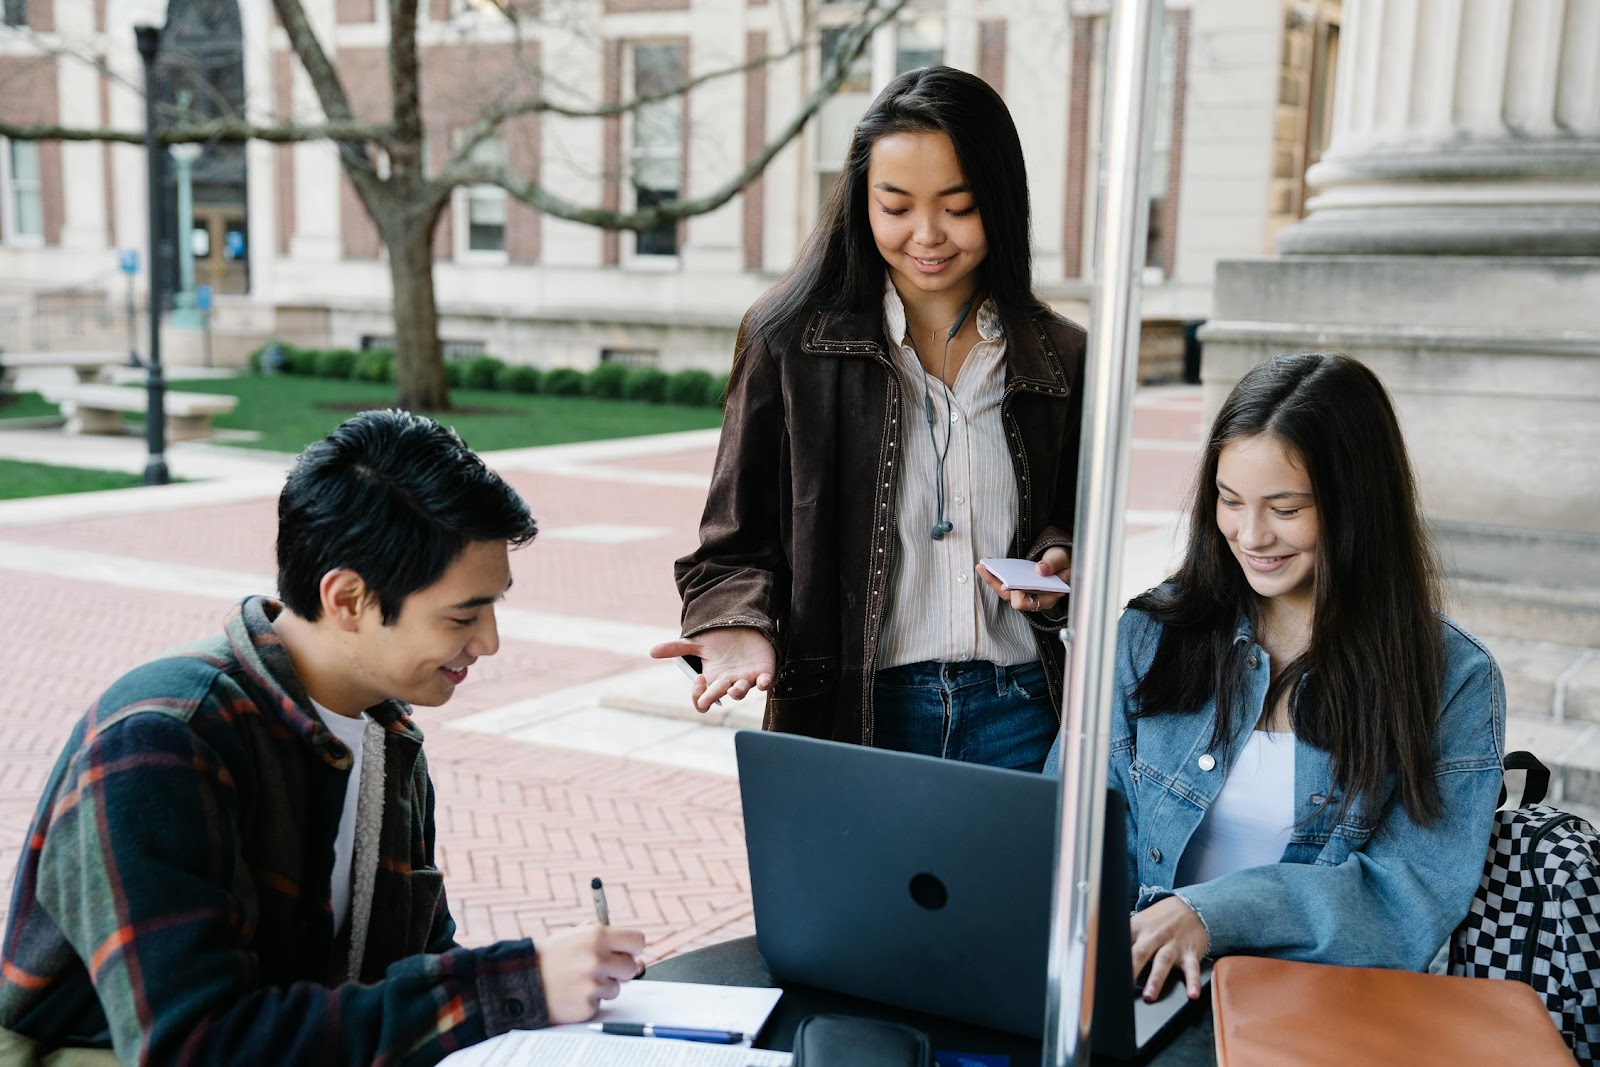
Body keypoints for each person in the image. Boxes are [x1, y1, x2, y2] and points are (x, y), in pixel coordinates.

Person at [0, 410, 645, 1065]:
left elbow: (415, 969)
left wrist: (553, 991)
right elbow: (194, 1045)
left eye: (493, 606)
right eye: (462, 614)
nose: (489, 641)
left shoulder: (388, 736)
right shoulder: (163, 741)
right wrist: (507, 985)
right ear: (347, 598)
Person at [650, 66, 1086, 771]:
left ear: (1002, 202)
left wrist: (1059, 556)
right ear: (861, 202)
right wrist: (737, 624)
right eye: (896, 205)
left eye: (958, 205)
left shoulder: (1060, 354)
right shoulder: (787, 342)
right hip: (853, 712)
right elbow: (731, 543)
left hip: (1024, 710)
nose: (927, 234)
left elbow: (1073, 518)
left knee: (1011, 888)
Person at [1047, 352, 1505, 1003]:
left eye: (1285, 508)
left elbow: (1409, 894)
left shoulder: (1452, 677)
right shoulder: (1152, 632)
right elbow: (1071, 814)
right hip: (1141, 984)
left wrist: (1210, 913)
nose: (1251, 534)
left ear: (1357, 506)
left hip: (1318, 1002)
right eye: (1230, 501)